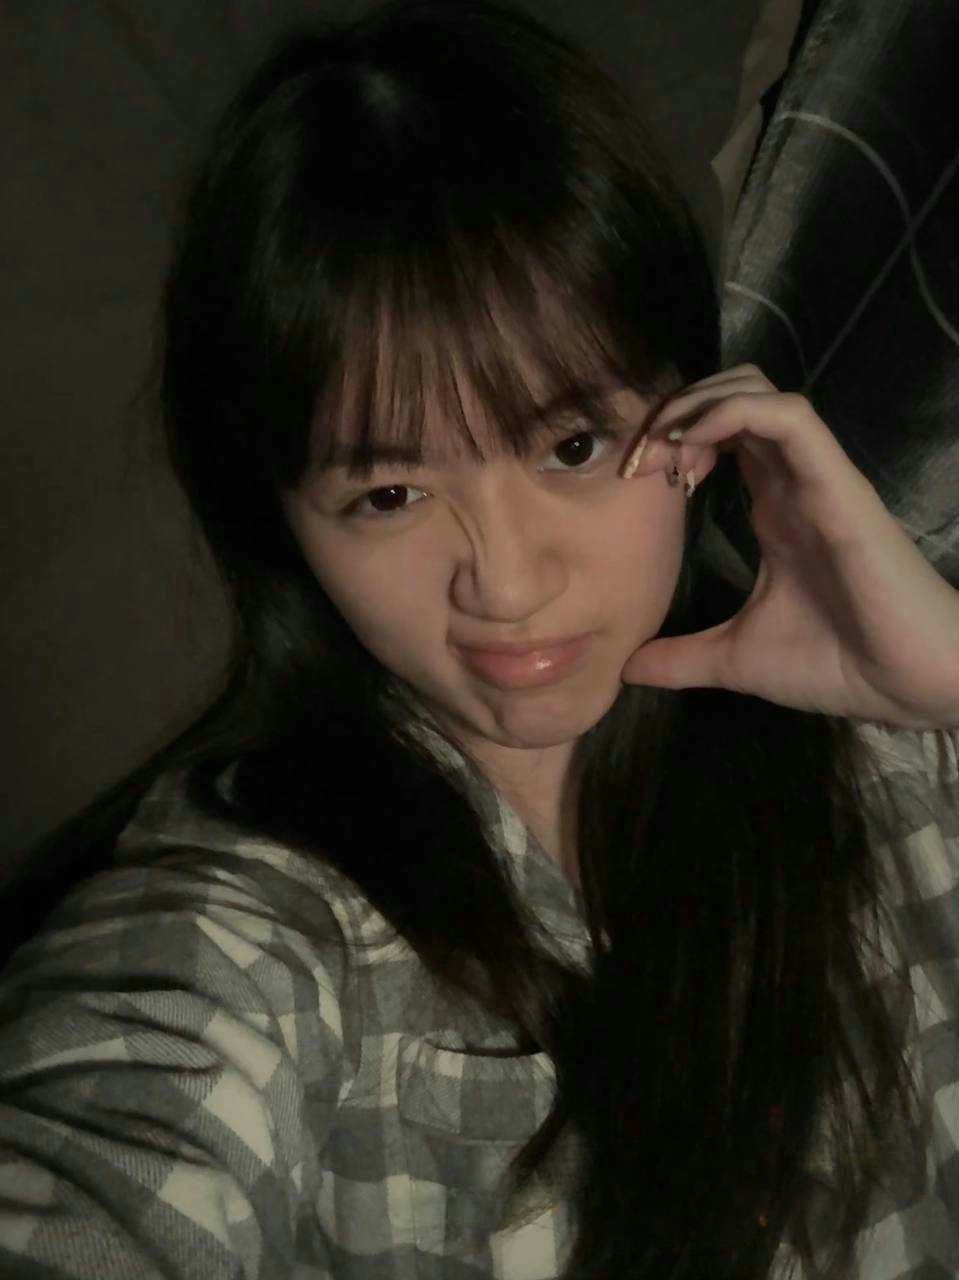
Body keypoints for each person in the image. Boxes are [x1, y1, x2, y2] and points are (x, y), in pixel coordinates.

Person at [1, 1, 958, 1276]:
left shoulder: (887, 740)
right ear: (289, 521)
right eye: (389, 493)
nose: (502, 584)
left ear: (699, 413)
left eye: (571, 445)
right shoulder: (263, 922)